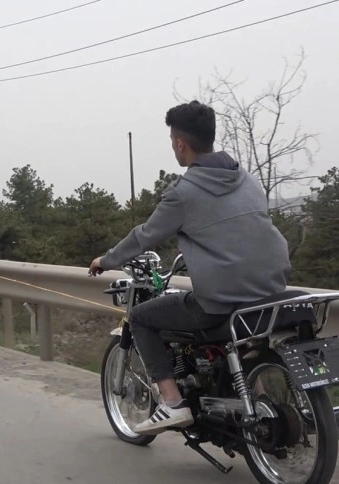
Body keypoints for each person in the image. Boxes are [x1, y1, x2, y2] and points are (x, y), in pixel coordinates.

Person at [88, 101, 291, 435]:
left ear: (180, 143)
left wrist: (106, 260)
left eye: (172, 140)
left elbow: (145, 236)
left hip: (222, 302)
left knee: (140, 318)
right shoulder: (247, 180)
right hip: (271, 291)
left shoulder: (184, 193)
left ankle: (173, 403)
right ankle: (248, 398)